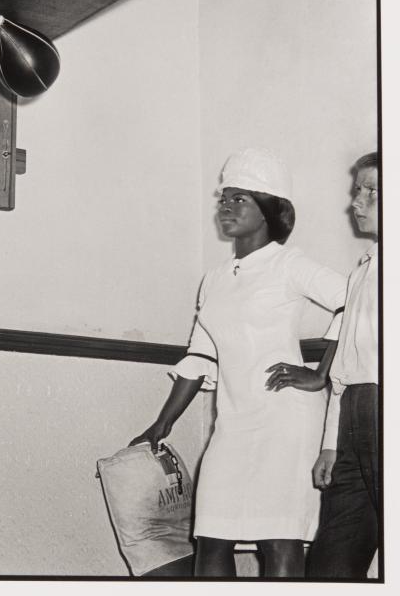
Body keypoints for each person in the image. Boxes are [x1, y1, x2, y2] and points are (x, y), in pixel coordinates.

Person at [129, 148, 347, 577]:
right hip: (233, 423)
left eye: (239, 199)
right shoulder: (214, 279)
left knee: (278, 540)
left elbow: (357, 302)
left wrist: (320, 374)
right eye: (223, 199)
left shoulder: (289, 264)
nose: (225, 208)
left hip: (284, 420)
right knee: (210, 539)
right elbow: (199, 354)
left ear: (269, 210)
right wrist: (162, 423)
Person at [306, 152, 380, 579]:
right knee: (333, 560)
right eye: (358, 191)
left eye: (373, 191)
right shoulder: (362, 272)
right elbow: (345, 368)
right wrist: (332, 444)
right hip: (355, 410)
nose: (357, 202)